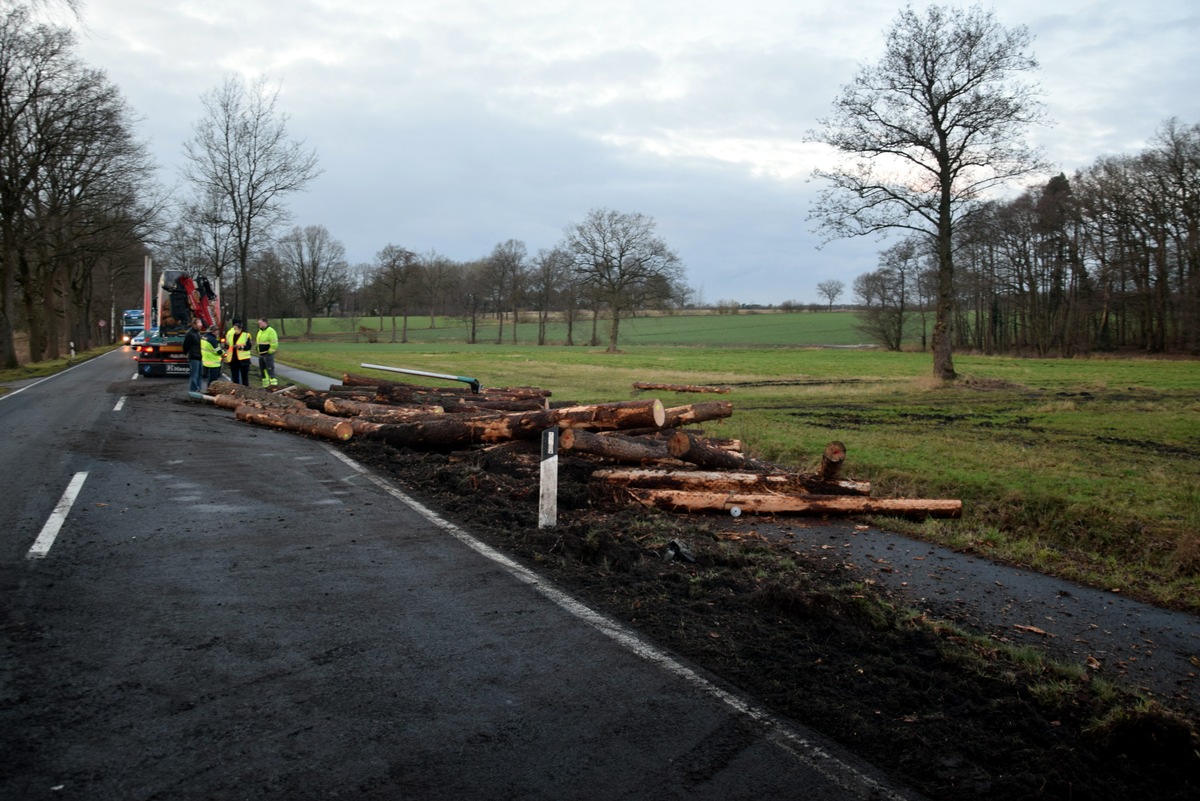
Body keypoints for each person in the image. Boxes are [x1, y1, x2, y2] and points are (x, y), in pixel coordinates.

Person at [224, 318, 253, 386]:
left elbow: (249, 346)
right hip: (233, 359)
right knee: (235, 378)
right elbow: (227, 345)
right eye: (234, 328)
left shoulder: (246, 335)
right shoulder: (230, 335)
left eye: (236, 328)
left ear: (240, 328)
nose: (234, 330)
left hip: (244, 360)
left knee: (244, 379)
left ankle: (246, 392)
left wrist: (240, 347)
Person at [256, 317, 279, 388]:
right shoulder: (260, 331)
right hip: (261, 354)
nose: (259, 324)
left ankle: (273, 385)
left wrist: (270, 351)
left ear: (265, 322)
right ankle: (265, 386)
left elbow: (274, 343)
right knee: (263, 370)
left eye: (260, 323)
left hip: (267, 354)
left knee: (270, 369)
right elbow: (258, 342)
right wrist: (257, 349)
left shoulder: (271, 331)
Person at [183, 317, 204, 393]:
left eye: (200, 323)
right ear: (194, 325)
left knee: (200, 374)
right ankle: (193, 390)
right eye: (199, 323)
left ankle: (198, 389)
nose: (200, 325)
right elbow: (186, 345)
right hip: (194, 357)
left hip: (199, 356)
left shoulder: (197, 333)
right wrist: (186, 353)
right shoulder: (190, 334)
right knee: (194, 375)